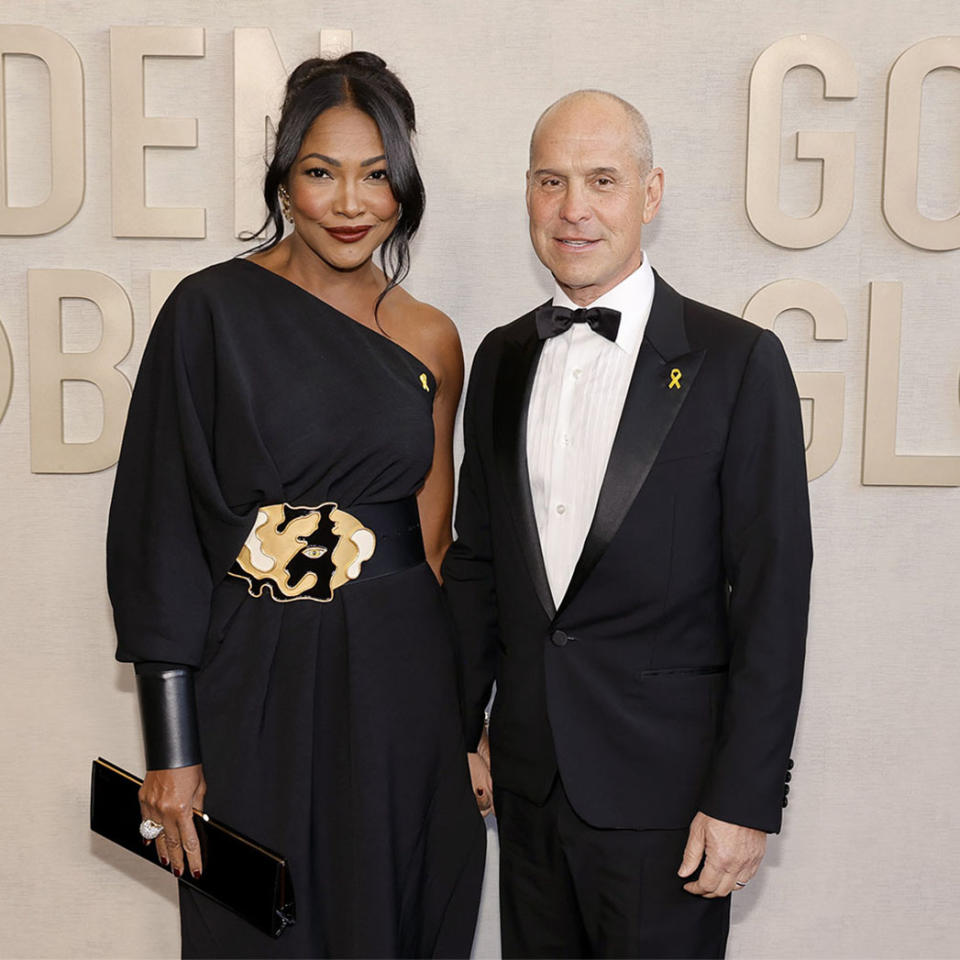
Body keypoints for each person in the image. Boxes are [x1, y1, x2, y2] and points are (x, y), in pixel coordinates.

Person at [107, 51, 485, 959]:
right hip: (258, 684)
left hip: (403, 692)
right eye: (322, 173)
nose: (351, 203)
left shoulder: (431, 335)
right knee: (256, 924)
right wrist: (170, 746)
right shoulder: (209, 314)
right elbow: (160, 536)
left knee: (400, 913)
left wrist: (467, 728)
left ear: (404, 186)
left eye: (376, 175)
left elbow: (436, 548)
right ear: (284, 179)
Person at [443, 89, 812, 959]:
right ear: (527, 194)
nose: (574, 209)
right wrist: (460, 730)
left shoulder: (737, 362)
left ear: (650, 195)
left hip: (673, 803)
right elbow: (478, 567)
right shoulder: (500, 357)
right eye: (551, 181)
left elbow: (772, 595)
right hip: (530, 789)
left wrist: (743, 802)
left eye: (602, 180)